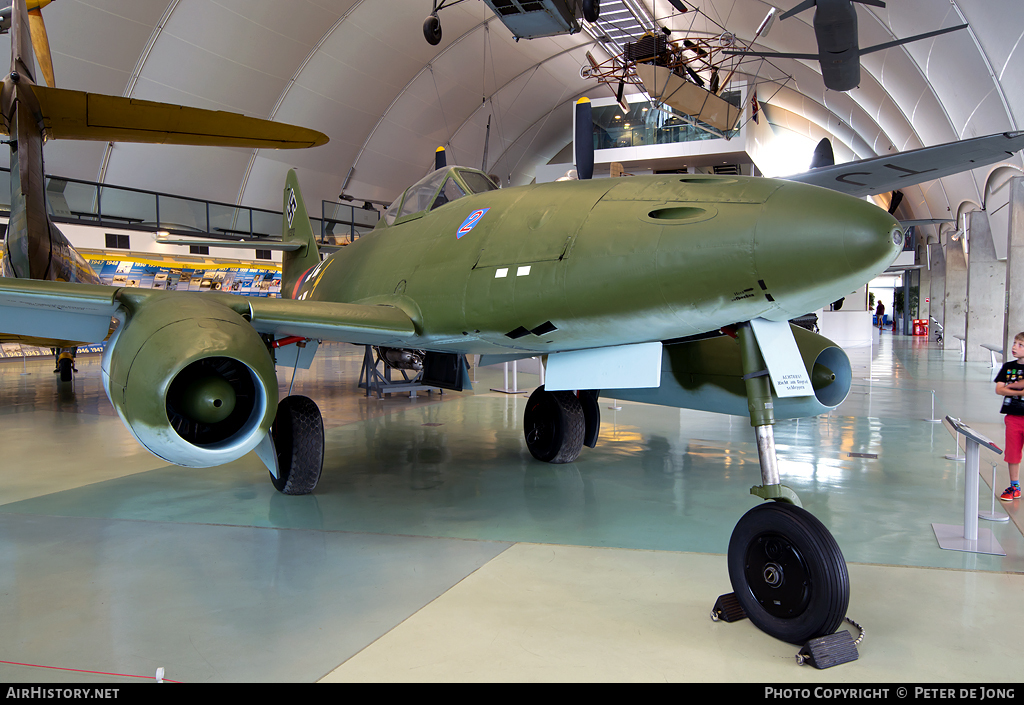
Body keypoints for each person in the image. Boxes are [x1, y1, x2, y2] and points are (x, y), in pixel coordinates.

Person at [996, 333, 1024, 500]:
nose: (1014, 347)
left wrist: (1010, 388)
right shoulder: (1008, 367)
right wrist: (1018, 390)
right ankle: (1014, 486)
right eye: (1014, 343)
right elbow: (999, 389)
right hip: (1013, 416)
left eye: (1020, 345)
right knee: (1012, 453)